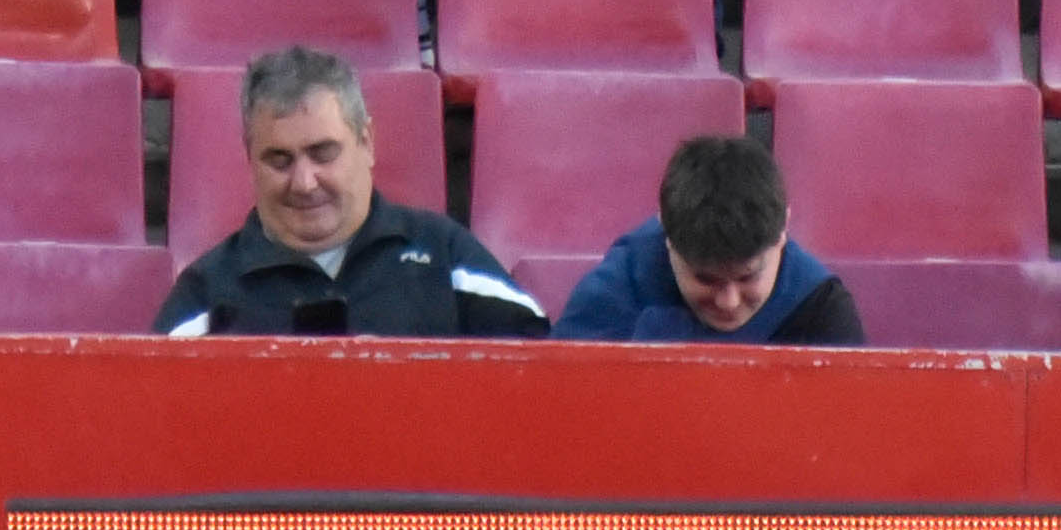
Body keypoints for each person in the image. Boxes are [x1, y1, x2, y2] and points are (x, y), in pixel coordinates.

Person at [155, 45, 543, 337]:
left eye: (323, 154)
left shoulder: (448, 260)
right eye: (279, 160)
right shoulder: (204, 295)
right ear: (249, 159)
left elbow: (547, 382)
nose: (304, 182)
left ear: (367, 142)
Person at [559, 132, 865, 346]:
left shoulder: (820, 310)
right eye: (705, 279)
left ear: (782, 229)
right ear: (666, 234)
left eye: (748, 277)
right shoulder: (615, 294)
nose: (728, 302)